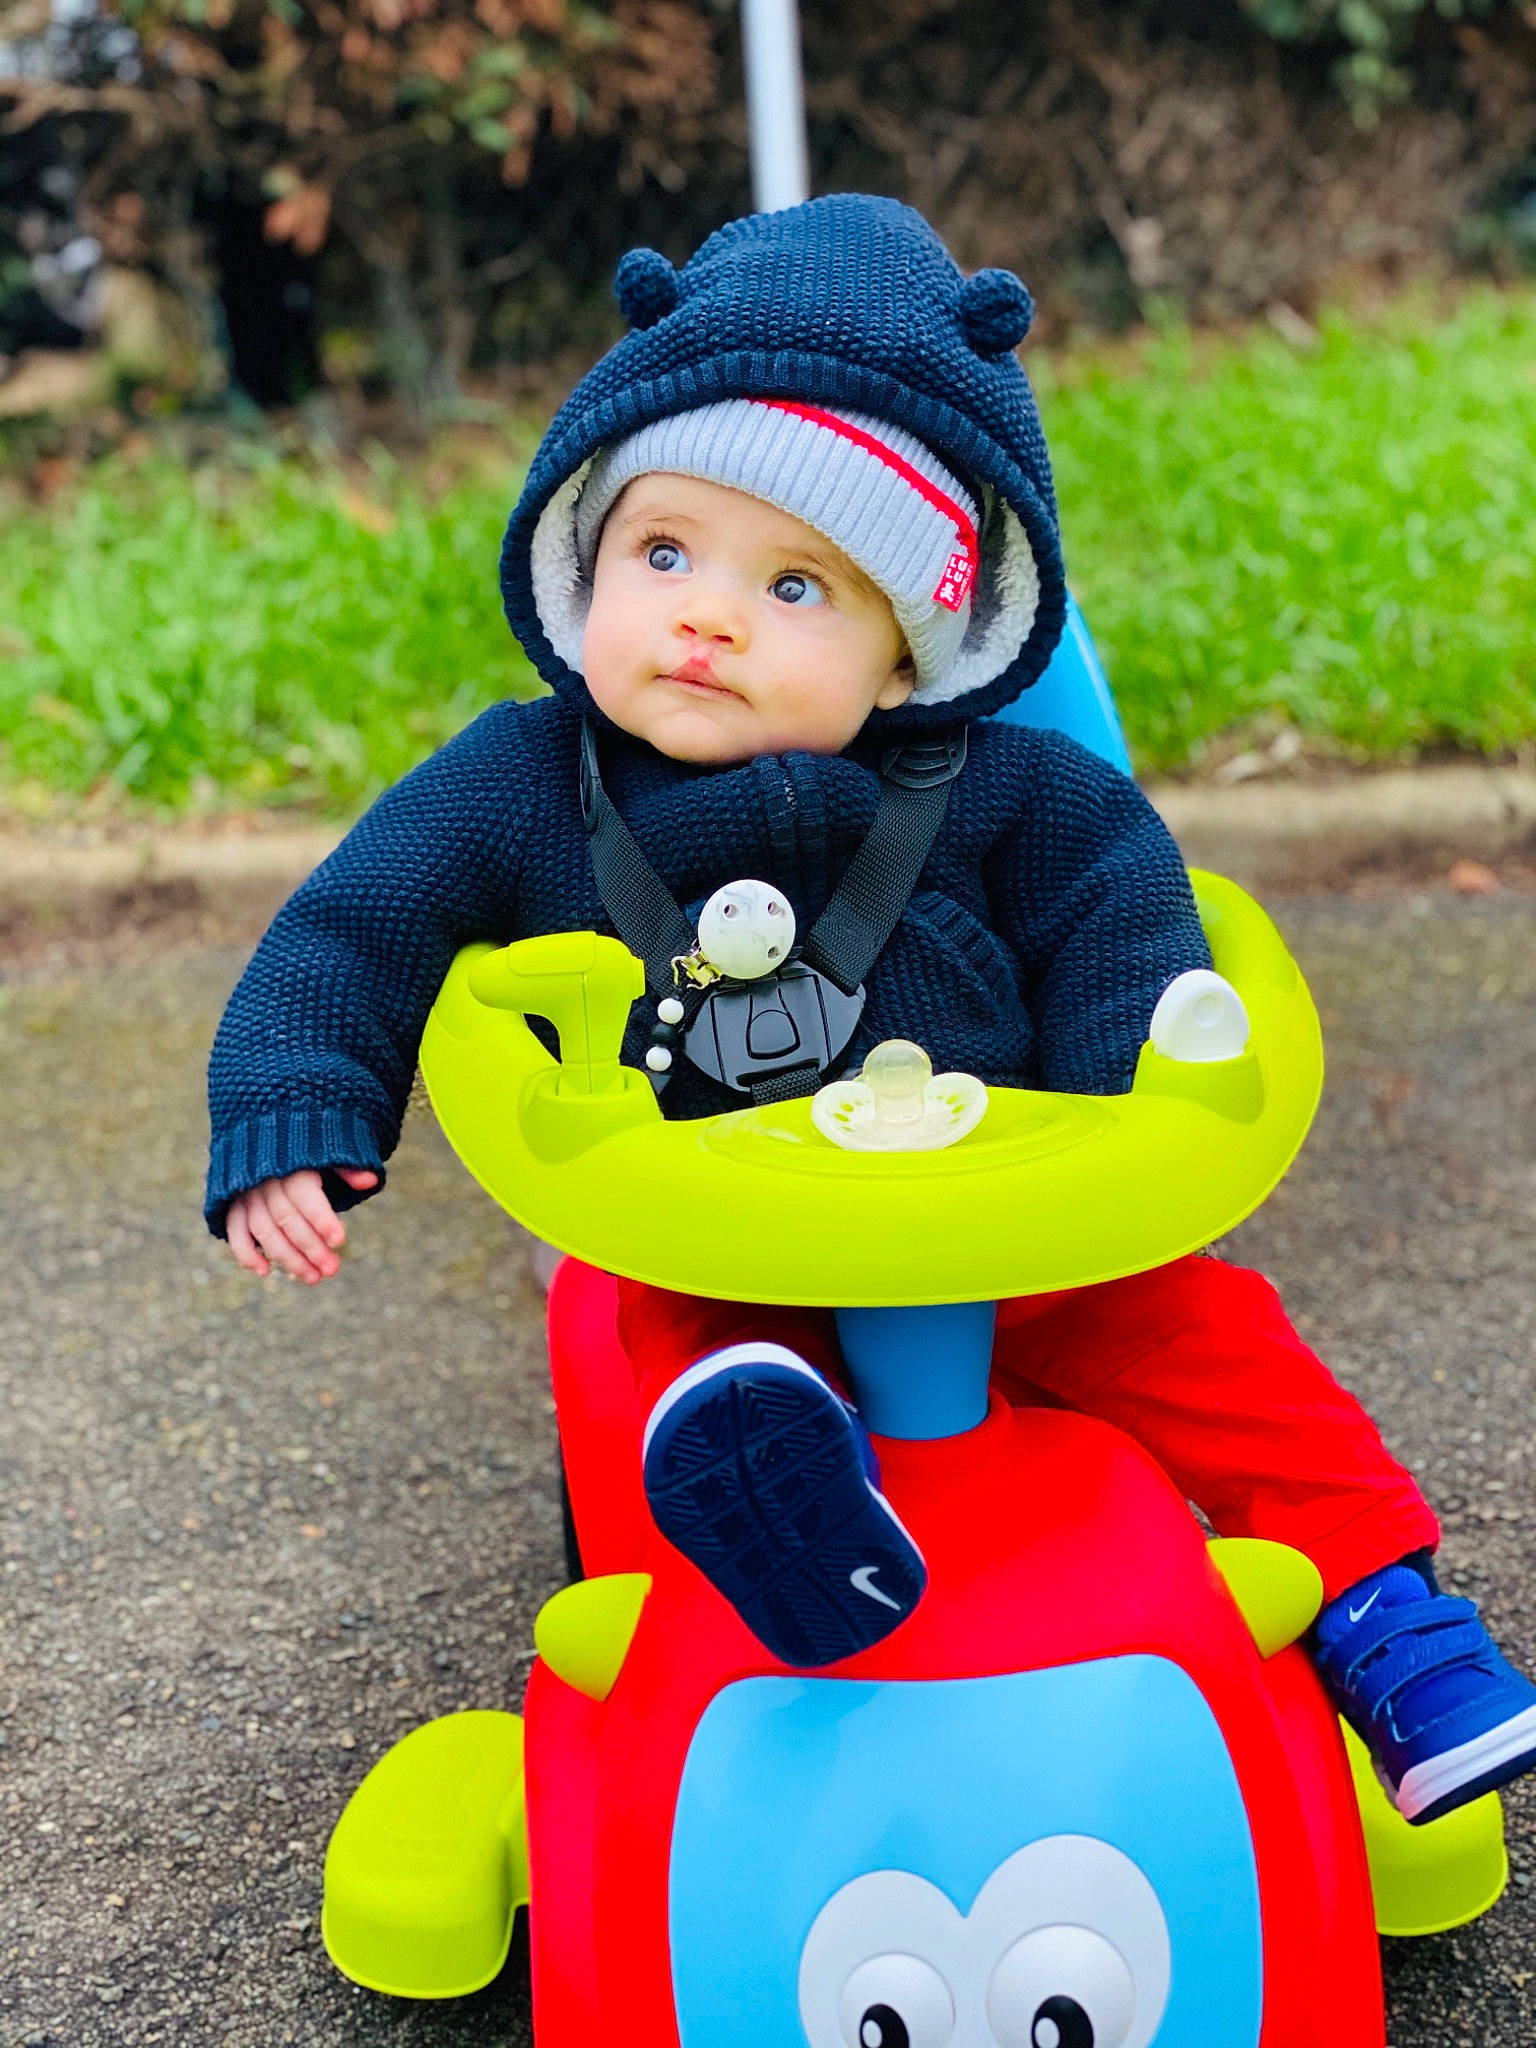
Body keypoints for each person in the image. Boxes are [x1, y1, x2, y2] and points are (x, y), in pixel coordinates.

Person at [205, 193, 1536, 1827]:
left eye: (797, 588)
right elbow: (356, 925)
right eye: (664, 554)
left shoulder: (1013, 793)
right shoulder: (518, 784)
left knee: (1210, 1340)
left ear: (907, 657)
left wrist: (1131, 1121)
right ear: (585, 558)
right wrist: (296, 1108)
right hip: (725, 1244)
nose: (707, 615)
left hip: (1013, 1234)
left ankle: (1386, 1614)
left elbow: (1128, 928)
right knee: (674, 1357)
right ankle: (791, 1520)